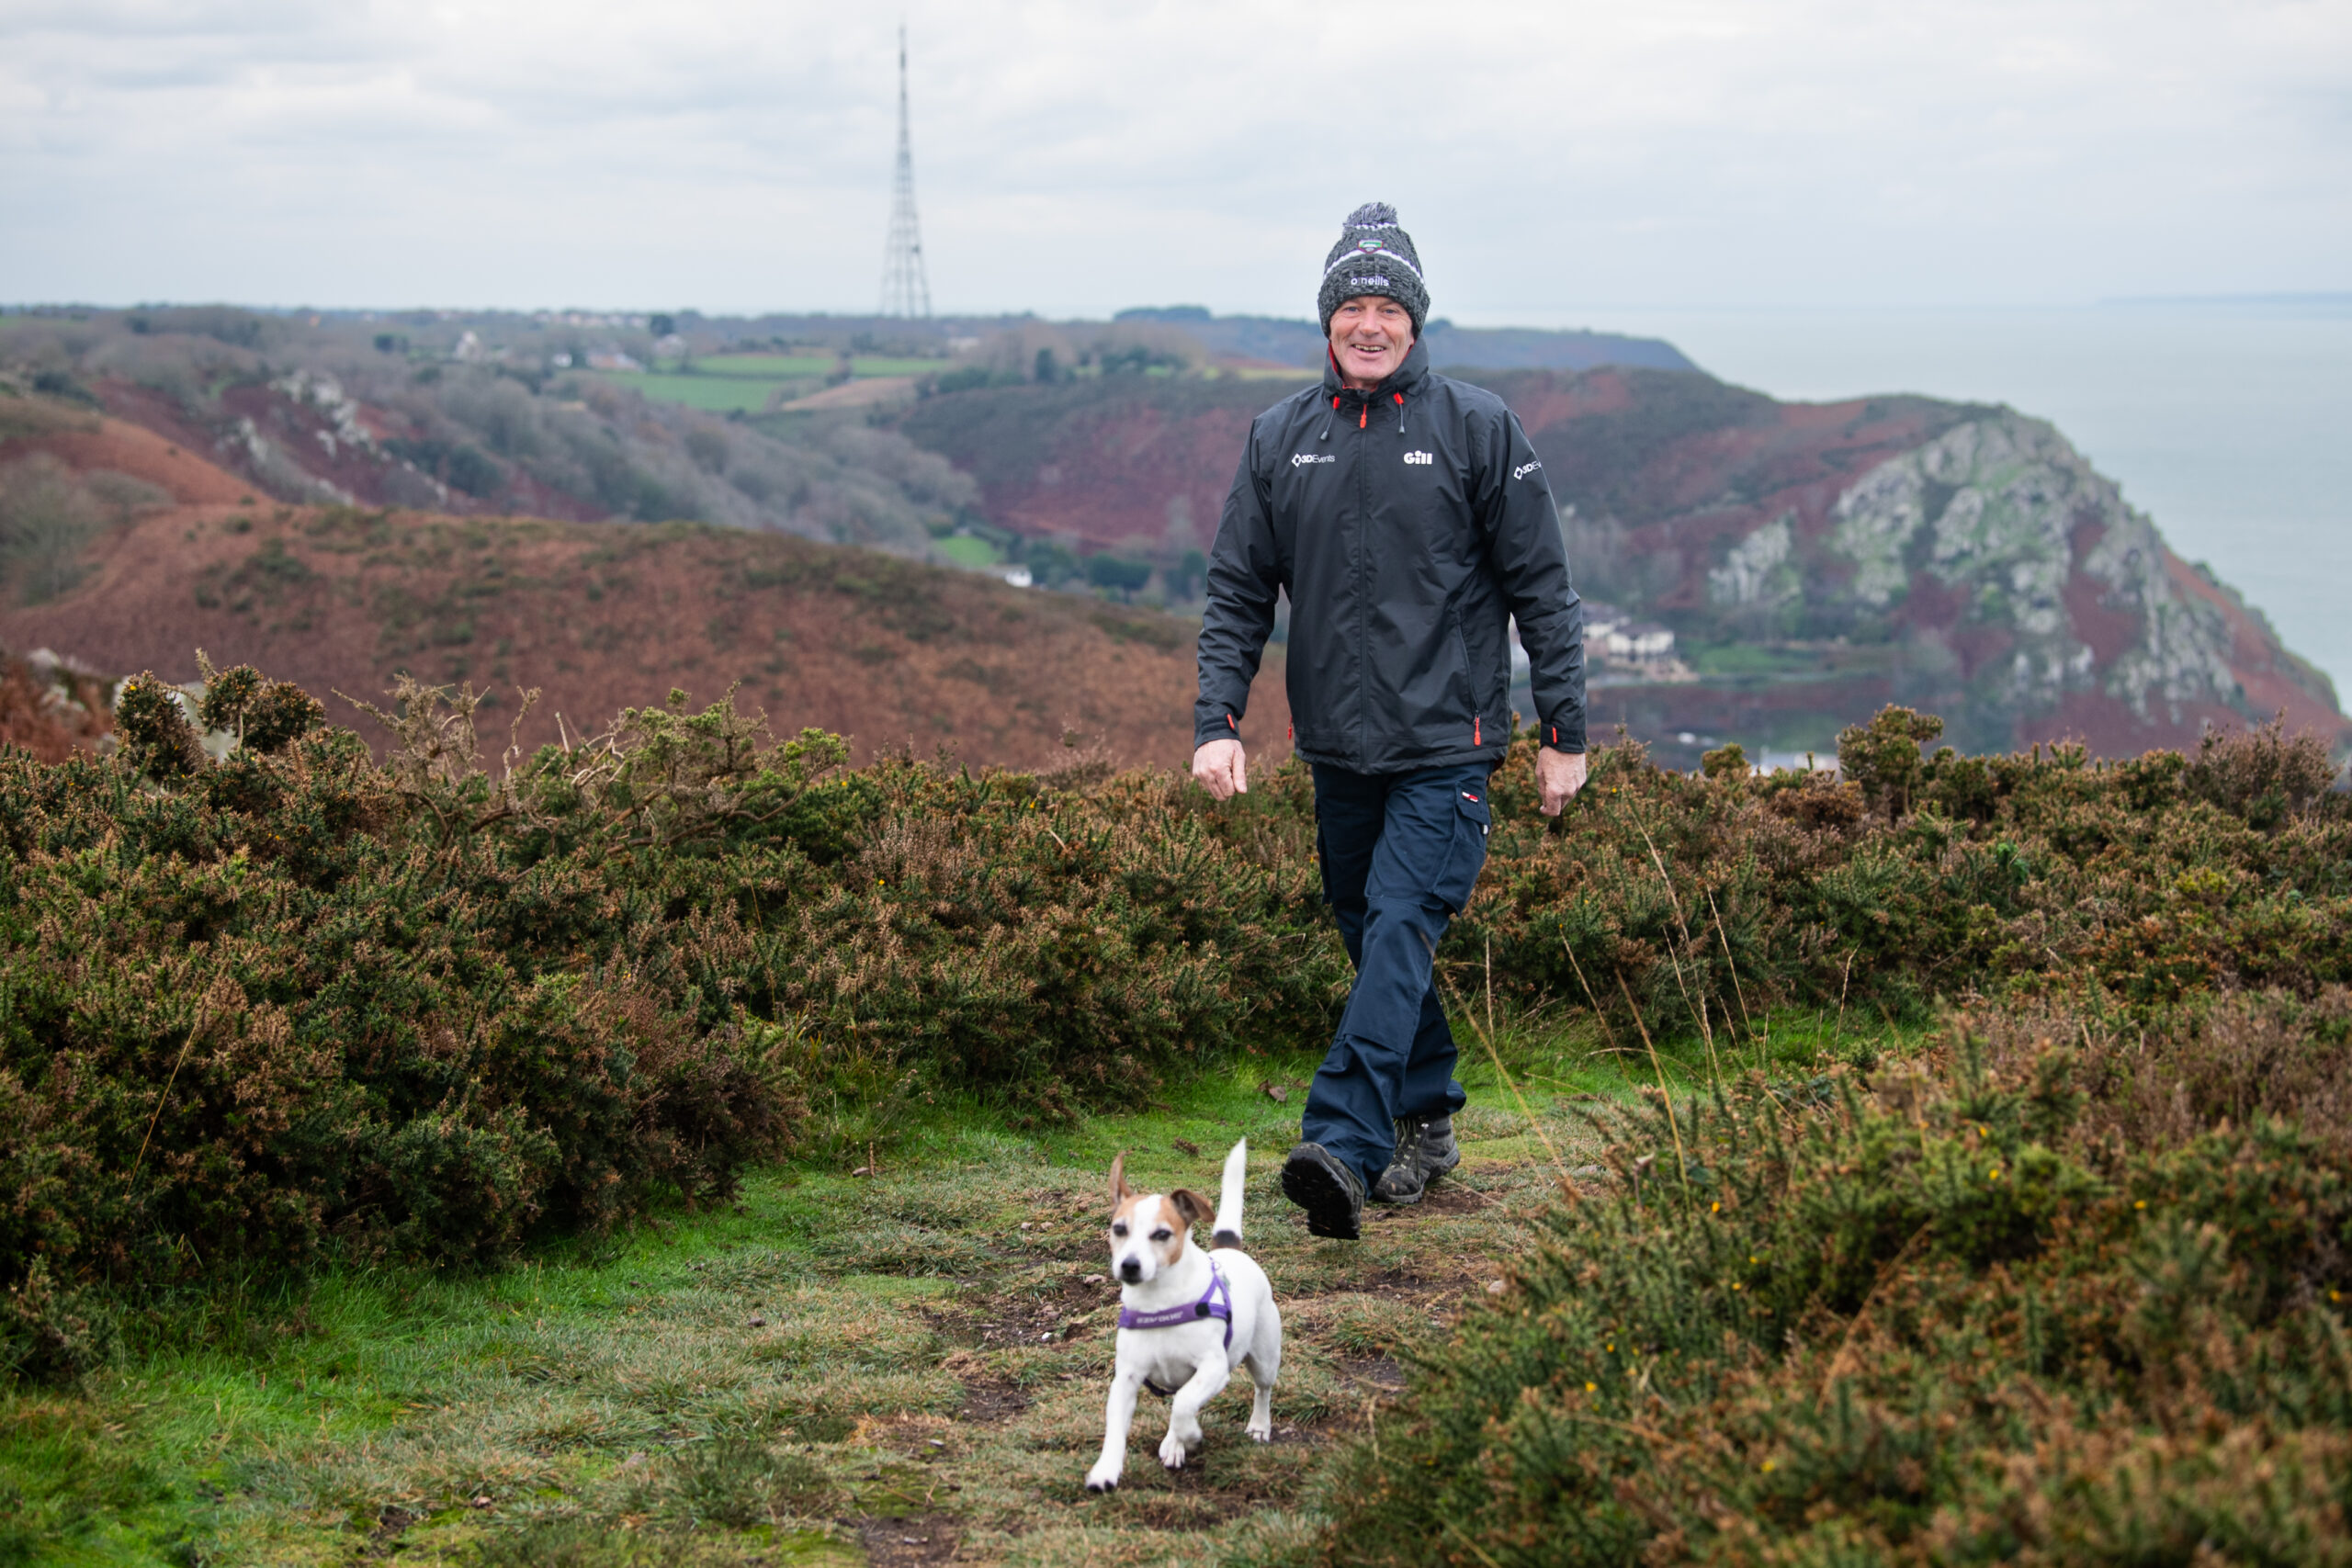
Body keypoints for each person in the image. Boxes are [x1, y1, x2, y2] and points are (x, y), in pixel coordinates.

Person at [1192, 201, 1588, 1239]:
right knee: (1375, 940)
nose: (1370, 324)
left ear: (1415, 322)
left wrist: (1564, 733)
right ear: (1326, 322)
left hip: (1446, 747)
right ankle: (1432, 1119)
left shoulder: (1476, 428)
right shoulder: (1282, 436)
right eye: (1352, 306)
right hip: (1337, 748)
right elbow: (1238, 590)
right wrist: (1215, 722)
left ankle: (1343, 1144)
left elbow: (1542, 588)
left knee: (1401, 927)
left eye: (1388, 307)